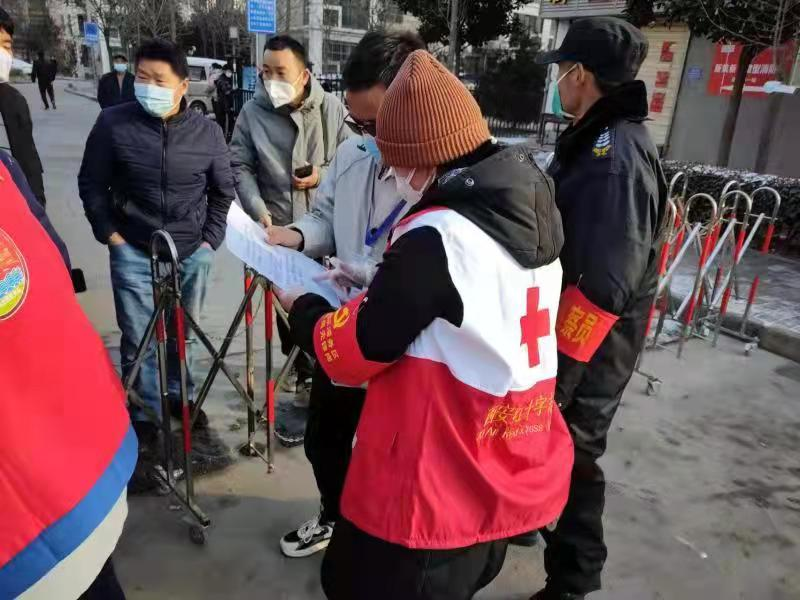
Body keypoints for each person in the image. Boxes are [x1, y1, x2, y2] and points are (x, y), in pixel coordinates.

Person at [275, 50, 573, 599]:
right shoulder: (525, 210)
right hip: (502, 456)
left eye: (395, 164)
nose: (395, 177)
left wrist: (304, 307)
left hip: (434, 490)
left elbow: (356, 352)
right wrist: (376, 280)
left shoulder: (438, 234)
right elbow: (463, 304)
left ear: (422, 159)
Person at [267, 30, 426, 558]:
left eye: (380, 124)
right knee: (325, 440)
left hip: (400, 342)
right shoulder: (355, 156)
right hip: (342, 328)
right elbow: (324, 218)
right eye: (361, 124)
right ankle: (334, 515)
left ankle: (380, 539)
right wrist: (294, 237)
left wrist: (373, 276)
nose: (372, 138)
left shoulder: (436, 176)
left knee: (389, 453)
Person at [530, 17, 668, 600]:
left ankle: (573, 578)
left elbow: (606, 287)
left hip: (593, 345)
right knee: (554, 447)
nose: (558, 81)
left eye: (562, 70)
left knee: (575, 452)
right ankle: (532, 520)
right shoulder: (597, 138)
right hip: (571, 334)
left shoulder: (616, 157)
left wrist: (561, 373)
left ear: (581, 74)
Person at [78, 38, 235, 486]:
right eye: (142, 77)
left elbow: (222, 192)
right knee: (139, 335)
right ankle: (145, 412)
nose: (147, 87)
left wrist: (209, 243)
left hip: (190, 251)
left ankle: (180, 397)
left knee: (185, 333)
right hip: (133, 246)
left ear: (183, 86)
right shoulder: (114, 124)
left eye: (159, 80)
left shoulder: (207, 133)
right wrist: (112, 238)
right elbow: (92, 184)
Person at [0, 153, 135, 599]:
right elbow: (56, 258)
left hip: (58, 486)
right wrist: (113, 235)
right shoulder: (3, 169)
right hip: (78, 476)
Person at [230, 34, 350, 447]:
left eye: (281, 72)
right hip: (276, 231)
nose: (272, 80)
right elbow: (240, 164)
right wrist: (256, 207)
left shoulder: (332, 110)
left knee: (330, 313)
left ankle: (323, 376)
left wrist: (320, 175)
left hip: (325, 234)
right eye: (266, 72)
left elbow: (353, 159)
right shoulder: (252, 113)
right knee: (288, 314)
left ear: (304, 75)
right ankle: (300, 374)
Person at [0, 8, 47, 207]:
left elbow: (29, 161)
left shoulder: (14, 101)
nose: (3, 54)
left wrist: (37, 208)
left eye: (6, 45)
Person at [213, 63, 234, 138]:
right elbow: (226, 91)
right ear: (225, 71)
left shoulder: (223, 78)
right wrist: (233, 90)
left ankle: (223, 136)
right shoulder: (222, 80)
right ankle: (225, 136)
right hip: (223, 104)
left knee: (222, 122)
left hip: (221, 103)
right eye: (229, 71)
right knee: (224, 121)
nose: (230, 73)